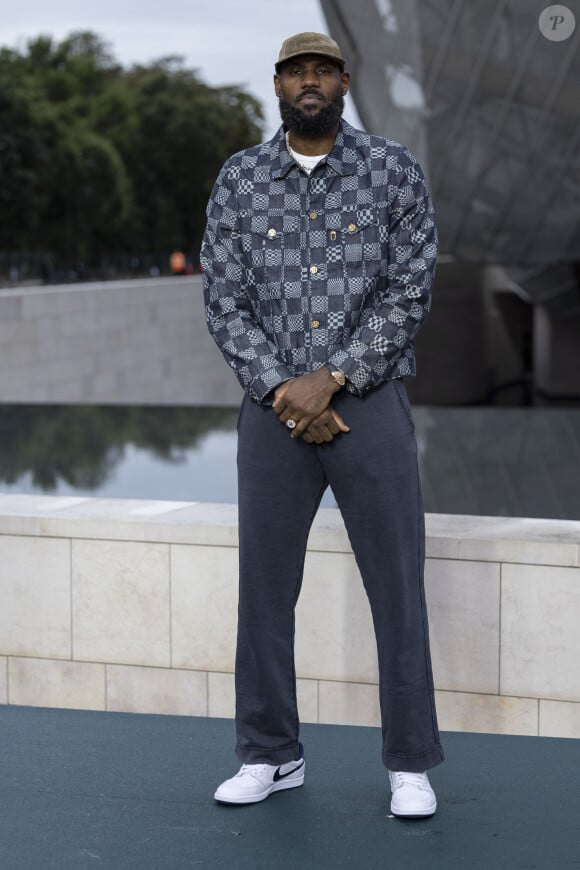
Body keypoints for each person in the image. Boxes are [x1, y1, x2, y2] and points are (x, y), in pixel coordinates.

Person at [200, 31, 444, 819]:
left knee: (396, 587)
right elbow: (222, 298)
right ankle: (270, 755)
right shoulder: (240, 179)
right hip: (273, 413)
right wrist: (283, 389)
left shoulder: (392, 169)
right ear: (277, 85)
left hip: (368, 405)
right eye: (296, 72)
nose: (310, 83)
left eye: (323, 71)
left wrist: (331, 379)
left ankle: (409, 764)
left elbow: (410, 291)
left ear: (344, 80)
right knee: (265, 594)